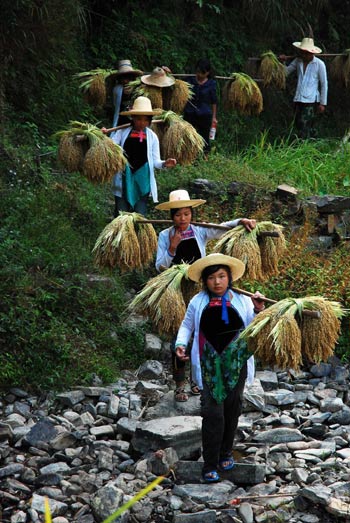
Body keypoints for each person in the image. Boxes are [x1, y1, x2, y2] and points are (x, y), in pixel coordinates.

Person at [155, 189, 257, 402]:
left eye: (186, 214)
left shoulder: (199, 230)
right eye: (177, 215)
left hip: (199, 287)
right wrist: (172, 248)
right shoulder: (165, 236)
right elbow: (160, 266)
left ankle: (197, 380)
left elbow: (222, 229)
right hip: (174, 290)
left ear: (192, 214)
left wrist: (240, 221)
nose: (182, 219)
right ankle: (179, 384)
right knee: (180, 336)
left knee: (202, 333)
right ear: (171, 216)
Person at [174, 253, 265, 483]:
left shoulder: (242, 300)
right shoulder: (198, 301)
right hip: (209, 366)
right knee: (213, 413)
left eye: (222, 276)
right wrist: (181, 344)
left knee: (232, 409)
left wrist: (257, 310)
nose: (217, 282)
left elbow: (253, 331)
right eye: (212, 277)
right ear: (205, 281)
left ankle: (226, 452)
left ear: (229, 278)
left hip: (236, 364)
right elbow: (187, 325)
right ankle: (210, 464)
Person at [108, 97, 177, 217]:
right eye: (139, 119)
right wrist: (104, 136)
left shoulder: (152, 137)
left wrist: (164, 163)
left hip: (143, 180)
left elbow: (155, 161)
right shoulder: (122, 132)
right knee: (120, 215)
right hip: (125, 176)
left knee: (139, 215)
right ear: (133, 118)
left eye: (146, 120)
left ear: (150, 121)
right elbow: (110, 147)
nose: (142, 123)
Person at [280, 37, 328, 139]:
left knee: (305, 125)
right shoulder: (298, 61)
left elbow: (324, 84)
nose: (304, 55)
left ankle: (305, 147)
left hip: (311, 100)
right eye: (302, 52)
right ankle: (311, 144)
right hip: (299, 99)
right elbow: (286, 72)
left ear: (312, 52)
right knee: (299, 124)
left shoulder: (319, 64)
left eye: (306, 52)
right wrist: (283, 62)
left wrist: (322, 103)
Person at [183, 59, 218, 156]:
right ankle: (188, 156)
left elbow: (214, 101)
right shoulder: (190, 80)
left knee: (204, 137)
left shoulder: (211, 84)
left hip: (205, 114)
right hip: (190, 113)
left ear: (208, 73)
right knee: (188, 136)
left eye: (202, 73)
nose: (199, 75)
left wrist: (214, 117)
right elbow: (179, 86)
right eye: (198, 72)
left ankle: (204, 157)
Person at [112, 59, 143, 127]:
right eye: (123, 78)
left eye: (128, 78)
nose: (125, 81)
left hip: (135, 122)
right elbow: (115, 104)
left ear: (132, 78)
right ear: (119, 79)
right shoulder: (117, 89)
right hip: (121, 122)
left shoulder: (138, 89)